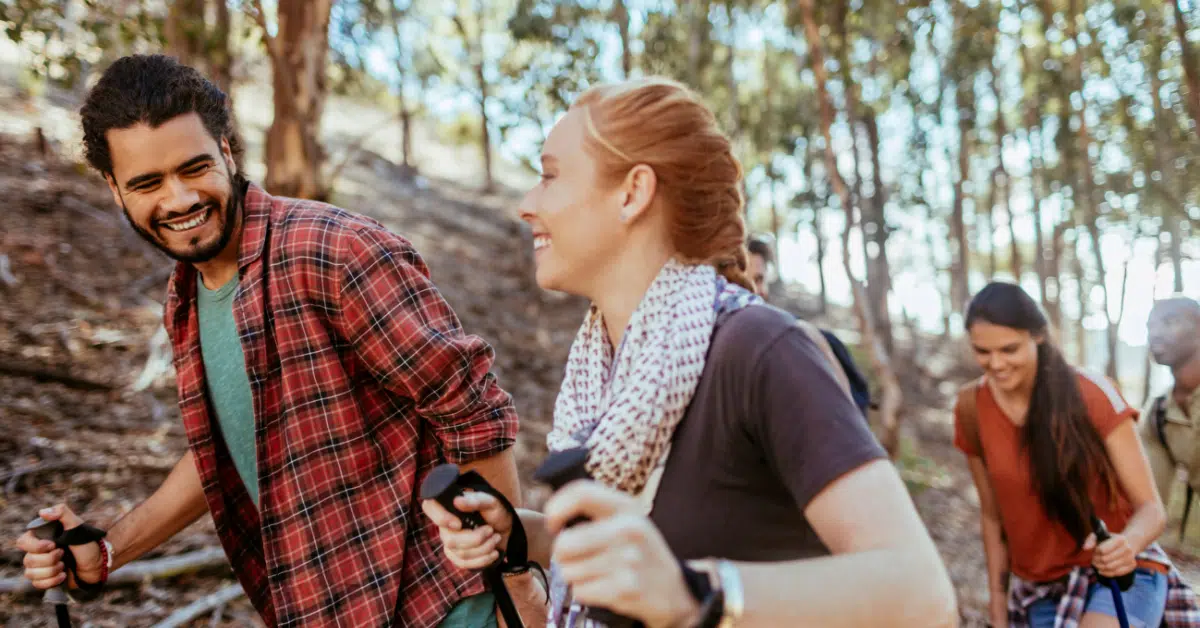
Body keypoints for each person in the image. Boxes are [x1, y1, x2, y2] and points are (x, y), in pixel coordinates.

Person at [422, 76, 958, 627]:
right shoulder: (602, 370)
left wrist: (698, 592)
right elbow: (642, 556)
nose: (526, 205)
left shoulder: (758, 349)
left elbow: (922, 594)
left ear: (633, 192)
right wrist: (520, 533)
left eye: (550, 176)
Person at [14, 54, 521, 628]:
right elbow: (224, 447)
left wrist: (510, 592)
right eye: (148, 183)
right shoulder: (186, 298)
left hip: (445, 608)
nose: (179, 200)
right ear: (114, 189)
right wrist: (108, 551)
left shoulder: (334, 252)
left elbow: (475, 414)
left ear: (227, 152)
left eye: (195, 167)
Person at [955, 282, 1198, 628]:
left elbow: (1151, 510)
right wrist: (998, 608)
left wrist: (1125, 545)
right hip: (1040, 587)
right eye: (982, 351)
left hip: (1119, 573)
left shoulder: (1091, 394)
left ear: (1038, 336)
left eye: (1009, 349)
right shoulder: (971, 409)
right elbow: (994, 519)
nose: (996, 364)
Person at [1138, 296, 1200, 533]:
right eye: (1150, 327)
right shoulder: (1158, 413)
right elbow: (1151, 503)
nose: (1155, 333)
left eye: (1169, 322)